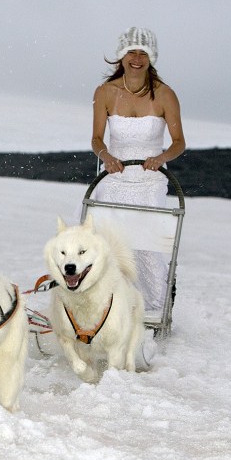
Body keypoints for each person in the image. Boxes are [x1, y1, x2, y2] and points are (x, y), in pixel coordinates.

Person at [89, 27, 186, 313]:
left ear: (151, 58)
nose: (136, 58)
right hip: (115, 176)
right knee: (108, 244)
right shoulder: (105, 92)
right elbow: (96, 139)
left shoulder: (165, 95)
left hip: (150, 179)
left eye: (143, 53)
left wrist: (161, 156)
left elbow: (179, 142)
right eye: (131, 51)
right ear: (121, 55)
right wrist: (106, 155)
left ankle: (154, 310)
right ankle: (104, 309)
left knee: (146, 247)